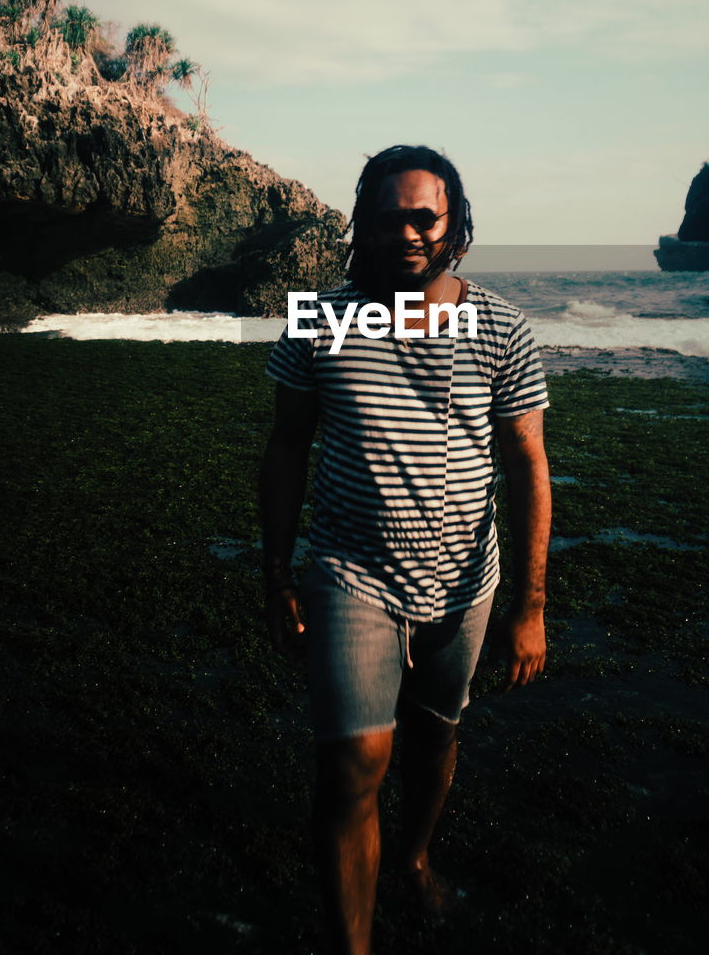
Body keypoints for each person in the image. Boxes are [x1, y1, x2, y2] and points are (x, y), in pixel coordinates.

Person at [260, 144, 551, 954]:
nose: (408, 233)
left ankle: (414, 859)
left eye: (425, 216)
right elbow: (286, 448)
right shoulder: (320, 316)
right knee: (353, 767)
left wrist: (529, 609)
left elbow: (528, 468)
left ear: (455, 221)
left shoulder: (499, 325)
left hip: (466, 585)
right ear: (364, 226)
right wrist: (276, 572)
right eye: (389, 219)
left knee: (435, 739)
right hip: (352, 576)